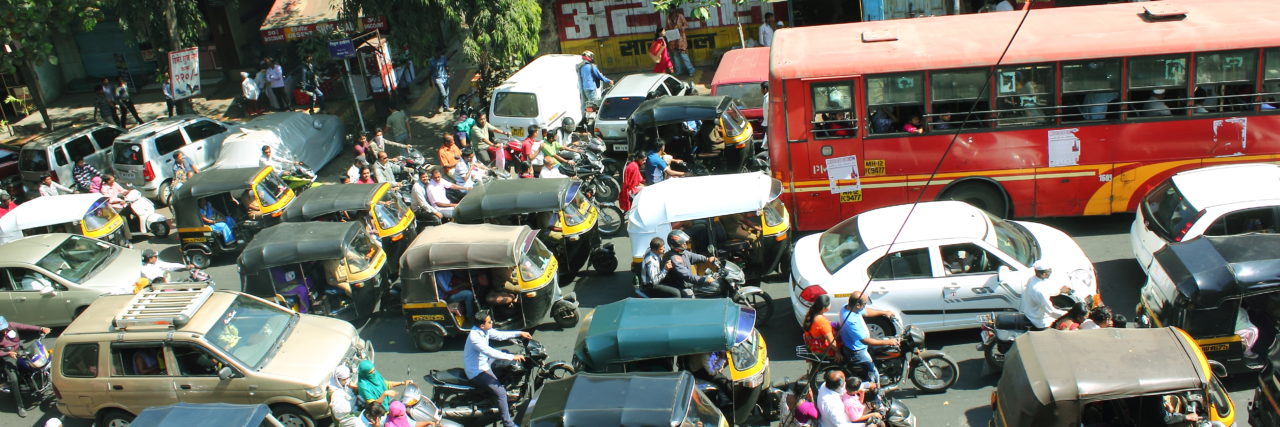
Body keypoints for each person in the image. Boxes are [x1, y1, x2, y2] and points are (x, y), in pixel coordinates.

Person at [463, 309, 532, 427]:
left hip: (485, 362)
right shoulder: (475, 337)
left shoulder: (485, 330)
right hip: (477, 370)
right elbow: (490, 352)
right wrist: (512, 357)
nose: (492, 323)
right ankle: (508, 423)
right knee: (501, 393)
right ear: (482, 325)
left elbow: (500, 335)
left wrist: (519, 333)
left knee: (504, 352)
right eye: (489, 322)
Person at [837, 292, 898, 385]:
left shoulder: (848, 307)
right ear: (858, 305)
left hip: (860, 344)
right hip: (857, 351)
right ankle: (876, 393)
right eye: (864, 304)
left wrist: (884, 312)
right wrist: (889, 342)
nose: (865, 306)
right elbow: (865, 341)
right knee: (874, 375)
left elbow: (866, 312)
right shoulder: (850, 320)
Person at [0, 316, 51, 417]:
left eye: (4, 330)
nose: (4, 333)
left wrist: (41, 329)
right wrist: (8, 354)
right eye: (1, 331)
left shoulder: (12, 325)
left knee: (39, 362)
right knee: (14, 379)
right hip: (7, 357)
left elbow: (25, 326)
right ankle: (20, 406)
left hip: (20, 351)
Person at [661, 230, 717, 295]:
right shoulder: (674, 258)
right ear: (676, 245)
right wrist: (703, 280)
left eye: (684, 241)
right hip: (681, 287)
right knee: (690, 295)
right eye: (682, 243)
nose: (685, 243)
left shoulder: (682, 252)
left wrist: (706, 259)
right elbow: (687, 276)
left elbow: (693, 256)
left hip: (689, 283)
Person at [1019, 261, 1070, 330]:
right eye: (1050, 271)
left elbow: (1048, 290)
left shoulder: (1033, 279)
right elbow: (1051, 311)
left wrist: (1060, 290)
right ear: (1044, 274)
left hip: (1031, 312)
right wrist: (1069, 315)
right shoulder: (1039, 291)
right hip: (1038, 321)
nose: (1051, 272)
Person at [803, 294, 842, 361]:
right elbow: (831, 341)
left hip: (812, 344)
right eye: (829, 303)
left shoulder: (811, 313)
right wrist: (837, 352)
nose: (830, 305)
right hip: (823, 349)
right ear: (824, 308)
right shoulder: (822, 322)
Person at [665, 8, 694, 77]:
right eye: (669, 10)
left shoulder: (680, 16)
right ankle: (679, 71)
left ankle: (691, 70)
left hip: (681, 39)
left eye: (671, 9)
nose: (670, 11)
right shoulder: (668, 17)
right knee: (676, 56)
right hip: (672, 39)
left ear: (675, 9)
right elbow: (667, 27)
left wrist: (681, 28)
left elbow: (686, 25)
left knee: (684, 55)